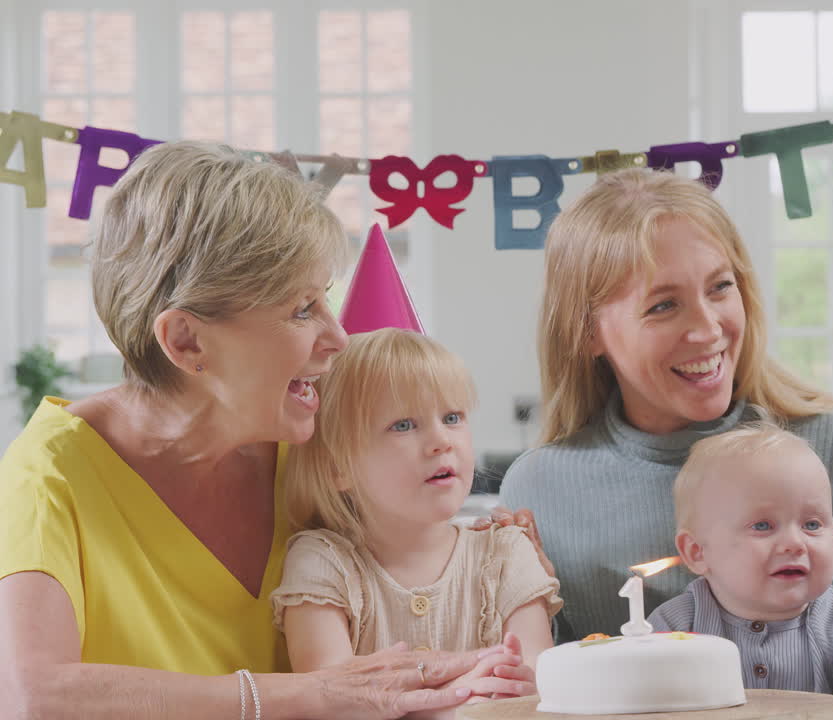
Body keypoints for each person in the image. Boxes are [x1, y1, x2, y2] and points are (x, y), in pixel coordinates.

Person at [0, 141, 529, 719]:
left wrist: (494, 548)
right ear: (187, 341)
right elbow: (34, 697)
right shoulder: (47, 476)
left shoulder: (307, 448)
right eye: (303, 309)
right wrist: (310, 695)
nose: (336, 338)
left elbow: (415, 569)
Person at [497, 167, 833, 692]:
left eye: (720, 287)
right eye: (663, 305)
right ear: (587, 332)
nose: (707, 329)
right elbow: (540, 691)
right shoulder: (538, 489)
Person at [273, 328, 560, 681]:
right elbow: (329, 696)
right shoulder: (322, 562)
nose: (441, 441)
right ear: (338, 468)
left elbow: (535, 678)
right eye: (404, 425)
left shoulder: (507, 552)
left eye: (452, 418)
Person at [648, 419, 833, 708]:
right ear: (698, 552)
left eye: (812, 525)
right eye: (762, 526)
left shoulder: (829, 617)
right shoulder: (678, 625)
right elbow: (631, 680)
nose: (795, 543)